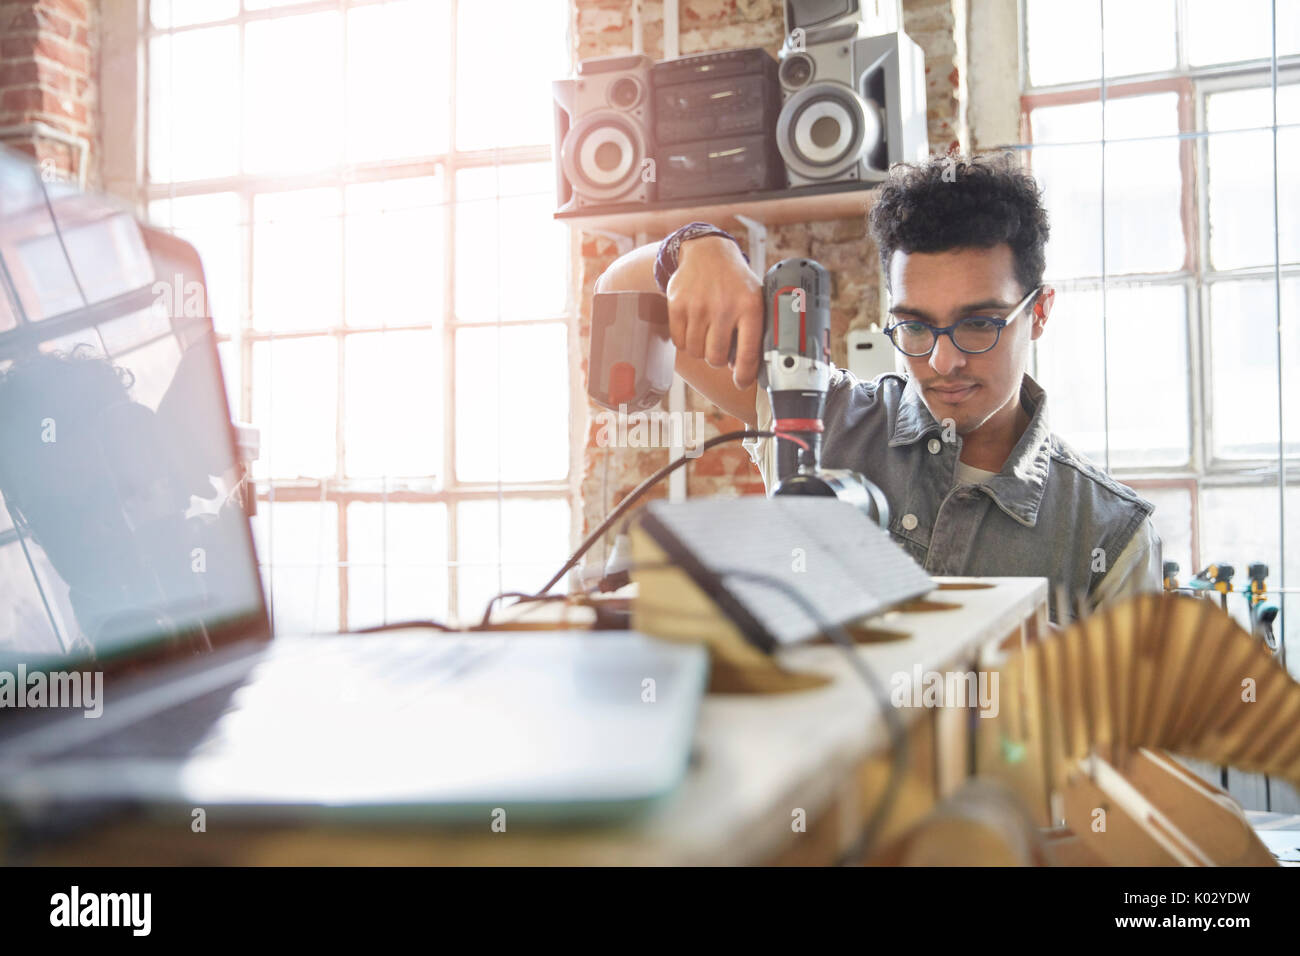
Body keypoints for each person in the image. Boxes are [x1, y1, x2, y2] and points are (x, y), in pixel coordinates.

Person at [594, 153, 1162, 623]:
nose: (944, 360)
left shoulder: (1108, 536)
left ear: (1037, 313)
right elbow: (620, 287)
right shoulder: (820, 414)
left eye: (978, 324)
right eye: (915, 326)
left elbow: (1131, 751)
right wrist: (695, 247)